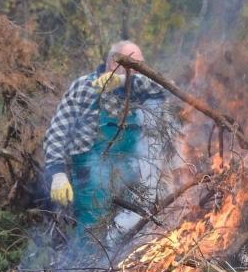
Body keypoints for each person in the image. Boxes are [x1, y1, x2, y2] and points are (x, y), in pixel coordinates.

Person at [43, 41, 166, 241]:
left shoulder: (139, 87)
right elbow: (57, 132)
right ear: (112, 62)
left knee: (131, 233)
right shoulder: (83, 87)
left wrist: (123, 81)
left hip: (131, 179)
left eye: (141, 66)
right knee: (92, 236)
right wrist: (57, 173)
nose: (140, 72)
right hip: (91, 179)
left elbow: (167, 90)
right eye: (134, 65)